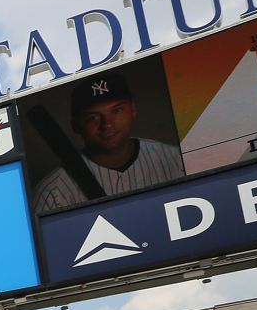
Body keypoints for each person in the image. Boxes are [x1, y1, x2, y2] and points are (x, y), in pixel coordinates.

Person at [33, 71, 185, 213]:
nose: (107, 124)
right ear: (76, 126)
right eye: (92, 118)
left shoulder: (177, 160)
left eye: (116, 111)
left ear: (133, 110)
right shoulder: (52, 193)